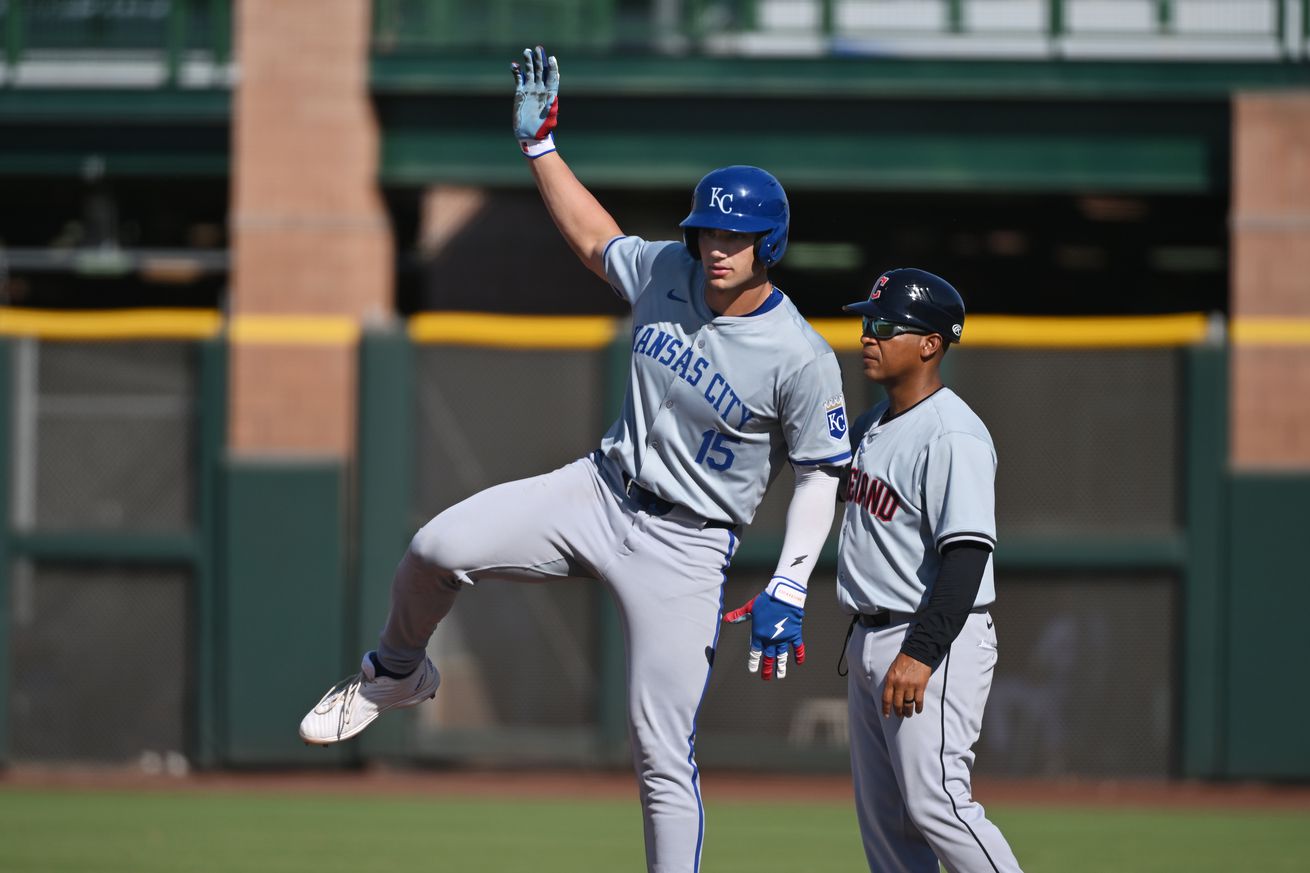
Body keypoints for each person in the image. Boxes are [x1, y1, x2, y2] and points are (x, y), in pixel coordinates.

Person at [297, 46, 852, 873]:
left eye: (734, 236)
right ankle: (397, 671)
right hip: (599, 490)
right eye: (707, 232)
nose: (715, 248)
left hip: (690, 546)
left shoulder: (799, 355)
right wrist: (540, 150)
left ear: (768, 242)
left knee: (661, 748)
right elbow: (597, 239)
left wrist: (789, 581)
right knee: (435, 548)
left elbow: (820, 470)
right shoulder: (669, 269)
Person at [835, 268, 1024, 873]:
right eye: (867, 322)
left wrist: (920, 652)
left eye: (884, 325)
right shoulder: (872, 426)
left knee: (937, 803)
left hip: (929, 638)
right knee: (888, 828)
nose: (868, 334)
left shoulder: (952, 434)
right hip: (869, 634)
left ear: (930, 343)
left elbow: (967, 557)